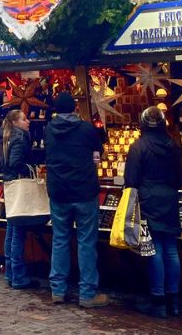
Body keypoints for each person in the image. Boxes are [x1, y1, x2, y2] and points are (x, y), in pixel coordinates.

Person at [44, 92, 108, 308]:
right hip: (84, 191)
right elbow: (98, 150)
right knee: (86, 241)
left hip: (59, 192)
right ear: (74, 108)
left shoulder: (49, 130)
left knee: (60, 239)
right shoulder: (86, 129)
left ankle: (58, 290)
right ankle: (87, 293)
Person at [124, 106, 182, 318]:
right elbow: (180, 179)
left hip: (148, 200)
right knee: (170, 249)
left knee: (154, 249)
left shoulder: (138, 147)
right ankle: (174, 299)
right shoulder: (174, 146)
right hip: (169, 199)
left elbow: (130, 180)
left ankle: (158, 299)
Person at [1, 109, 39, 290]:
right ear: (15, 122)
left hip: (9, 185)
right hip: (19, 186)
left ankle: (10, 272)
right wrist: (29, 167)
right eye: (24, 119)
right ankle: (19, 276)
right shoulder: (20, 137)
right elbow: (15, 161)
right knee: (18, 232)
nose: (28, 122)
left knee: (11, 229)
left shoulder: (4, 136)